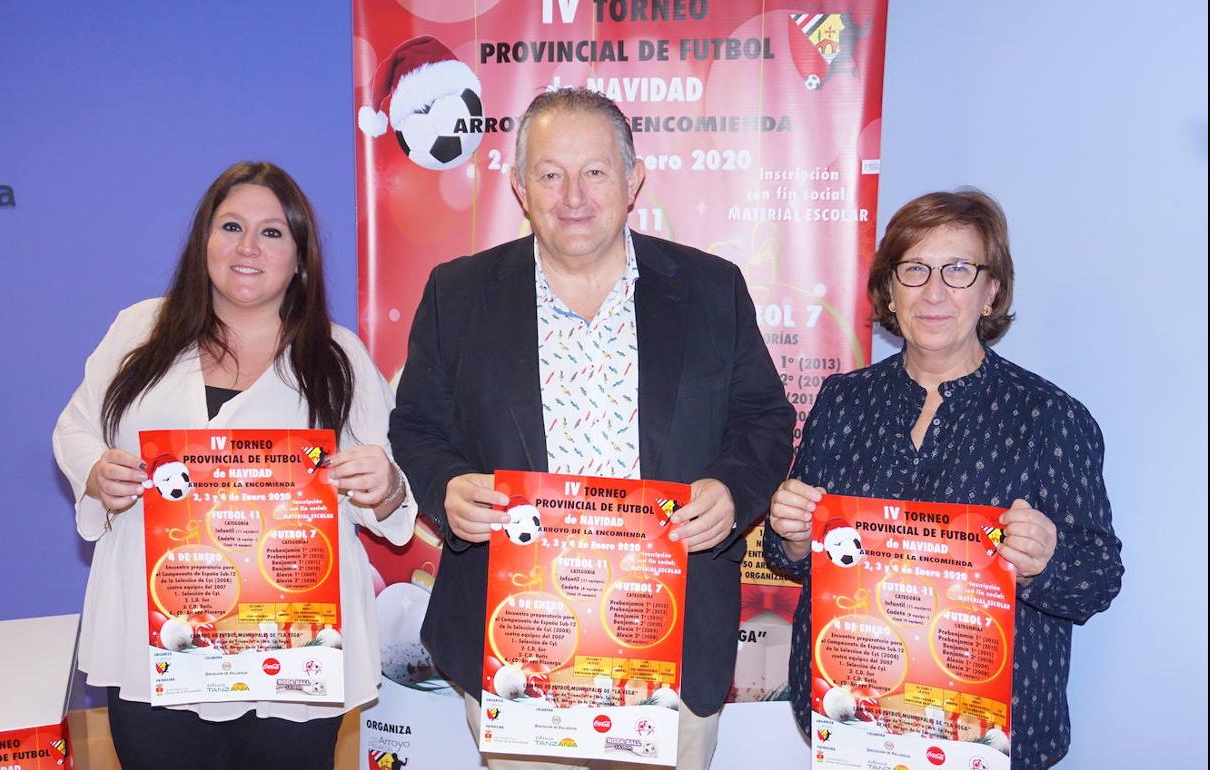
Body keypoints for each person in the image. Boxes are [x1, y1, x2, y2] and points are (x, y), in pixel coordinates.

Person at [389, 87, 795, 770]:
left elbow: (764, 419)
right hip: (513, 644)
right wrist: (446, 486)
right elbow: (417, 425)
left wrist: (730, 493)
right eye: (550, 173)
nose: (572, 195)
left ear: (633, 179)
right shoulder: (458, 294)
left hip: (669, 642)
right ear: (519, 187)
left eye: (595, 171)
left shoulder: (710, 289)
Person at [52, 161, 414, 770]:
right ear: (203, 243)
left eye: (272, 233)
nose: (248, 247)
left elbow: (389, 494)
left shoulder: (338, 356)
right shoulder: (139, 330)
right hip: (157, 635)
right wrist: (96, 473)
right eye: (231, 227)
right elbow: (75, 429)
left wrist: (385, 483)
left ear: (299, 257)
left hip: (290, 648)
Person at [764, 189, 1123, 769]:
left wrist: (1047, 559)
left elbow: (1098, 579)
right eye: (914, 270)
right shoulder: (842, 402)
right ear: (889, 289)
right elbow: (795, 557)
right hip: (858, 723)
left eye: (958, 270)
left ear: (992, 291)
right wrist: (792, 536)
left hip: (993, 732)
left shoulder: (1050, 418)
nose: (934, 292)